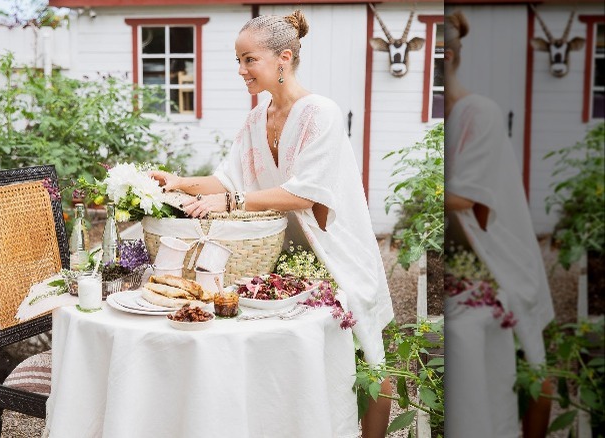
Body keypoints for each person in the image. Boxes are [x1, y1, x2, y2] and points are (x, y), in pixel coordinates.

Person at [150, 10, 394, 437]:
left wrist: (230, 201)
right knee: (294, 356)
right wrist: (180, 182)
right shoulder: (255, 118)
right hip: (284, 255)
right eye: (238, 60)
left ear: (283, 58)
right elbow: (227, 177)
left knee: (370, 357)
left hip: (337, 252)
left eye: (249, 60)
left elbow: (308, 192)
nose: (241, 70)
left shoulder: (322, 113)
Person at [443, 11, 555, 438]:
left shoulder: (479, 113)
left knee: (535, 364)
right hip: (463, 258)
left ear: (447, 56)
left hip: (499, 253)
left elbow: (466, 197)